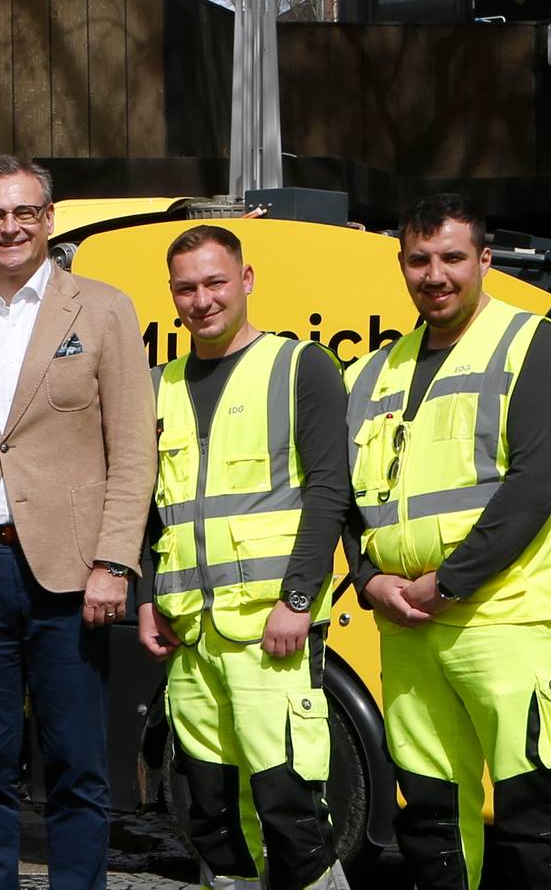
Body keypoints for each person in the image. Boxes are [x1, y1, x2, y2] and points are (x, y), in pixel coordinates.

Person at [0, 154, 155, 890]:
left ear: (50, 219)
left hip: (72, 572)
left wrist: (116, 562)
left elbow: (134, 447)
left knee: (77, 760)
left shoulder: (105, 309)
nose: (10, 227)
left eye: (24, 212)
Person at [346, 195, 551, 890]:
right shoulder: (371, 373)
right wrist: (367, 579)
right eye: (419, 260)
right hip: (408, 627)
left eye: (452, 257)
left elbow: (535, 483)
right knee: (429, 819)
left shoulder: (532, 345)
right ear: (401, 266)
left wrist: (449, 582)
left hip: (503, 618)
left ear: (484, 260)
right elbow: (348, 499)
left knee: (530, 812)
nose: (435, 274)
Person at [134, 225, 354, 890]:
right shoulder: (157, 384)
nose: (201, 299)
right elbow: (149, 508)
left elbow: (328, 491)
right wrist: (147, 596)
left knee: (292, 815)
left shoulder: (299, 367)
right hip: (192, 641)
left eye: (214, 282)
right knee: (212, 820)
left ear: (247, 280)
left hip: (270, 636)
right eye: (186, 287)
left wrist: (297, 602)